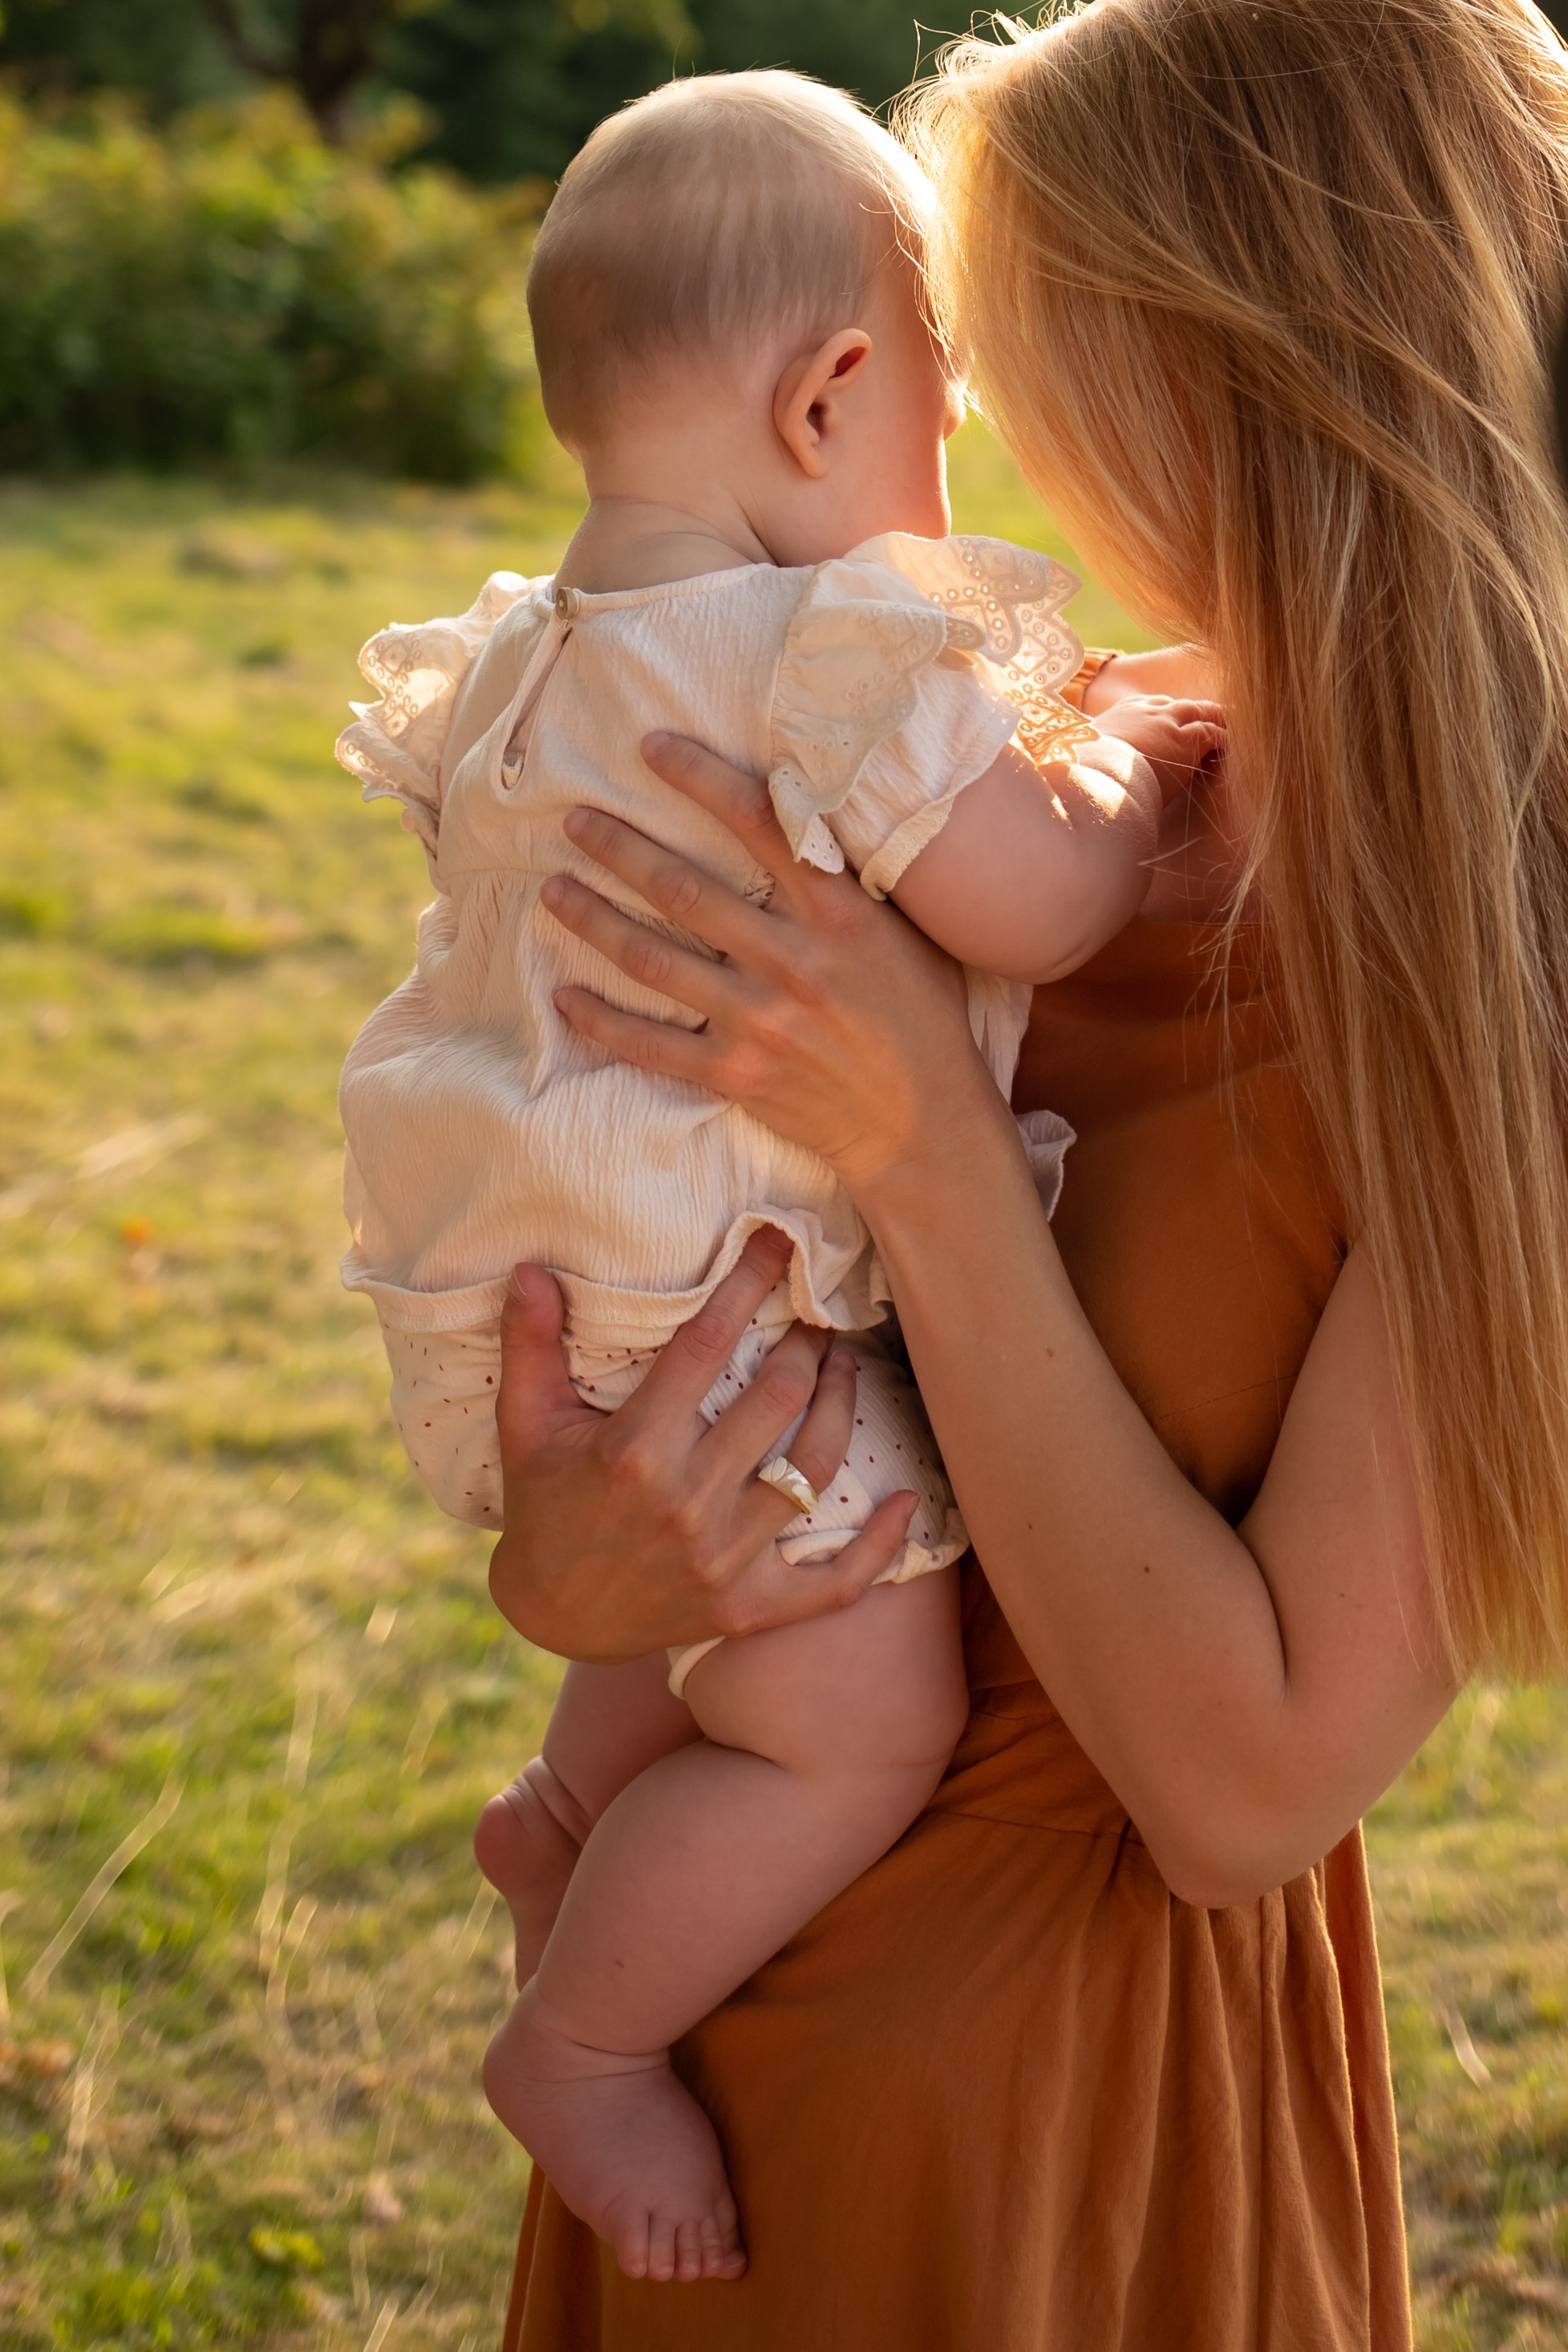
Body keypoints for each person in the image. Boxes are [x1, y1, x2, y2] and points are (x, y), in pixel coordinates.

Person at [484, 1, 1568, 2345]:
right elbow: (678, 1255)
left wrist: (936, 1152)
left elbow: (1248, 1784)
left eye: (1016, 326)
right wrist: (570, 1561)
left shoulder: (1503, 950)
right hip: (709, 2025)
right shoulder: (1007, 763)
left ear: (1234, 357)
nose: (968, 401)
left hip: (1063, 2145)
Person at [335, 69, 1226, 2286]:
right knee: (857, 1719)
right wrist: (1117, 775)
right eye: (944, 417)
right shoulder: (832, 645)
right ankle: (589, 2036)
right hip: (729, 1301)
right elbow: (1025, 904)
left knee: (687, 1598)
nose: (954, 476)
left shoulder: (518, 665)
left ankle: (564, 1818)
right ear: (831, 395)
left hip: (516, 1304)